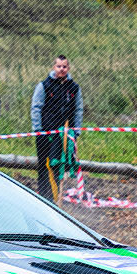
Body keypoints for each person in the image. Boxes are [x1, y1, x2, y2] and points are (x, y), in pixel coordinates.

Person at [31, 55, 83, 199]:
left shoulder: (74, 88)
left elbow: (78, 109)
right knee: (45, 166)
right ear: (54, 67)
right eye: (59, 66)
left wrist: (76, 131)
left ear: (68, 68)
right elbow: (36, 108)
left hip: (65, 134)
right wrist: (38, 130)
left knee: (60, 165)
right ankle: (45, 197)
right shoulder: (44, 86)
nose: (61, 69)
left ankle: (57, 197)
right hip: (46, 133)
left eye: (64, 67)